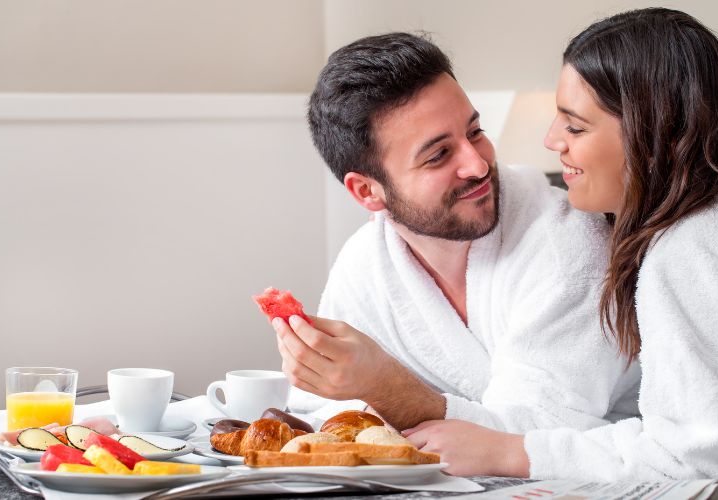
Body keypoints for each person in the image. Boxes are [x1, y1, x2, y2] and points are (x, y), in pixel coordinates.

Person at [403, 8, 718, 484]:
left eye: (575, 126)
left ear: (657, 134)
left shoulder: (691, 253)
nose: (551, 139)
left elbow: (695, 462)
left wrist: (512, 452)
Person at [270, 32, 640, 435]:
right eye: (439, 155)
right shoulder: (366, 262)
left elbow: (539, 437)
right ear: (368, 191)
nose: (478, 165)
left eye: (475, 131)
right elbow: (322, 412)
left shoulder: (567, 241)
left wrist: (384, 387)